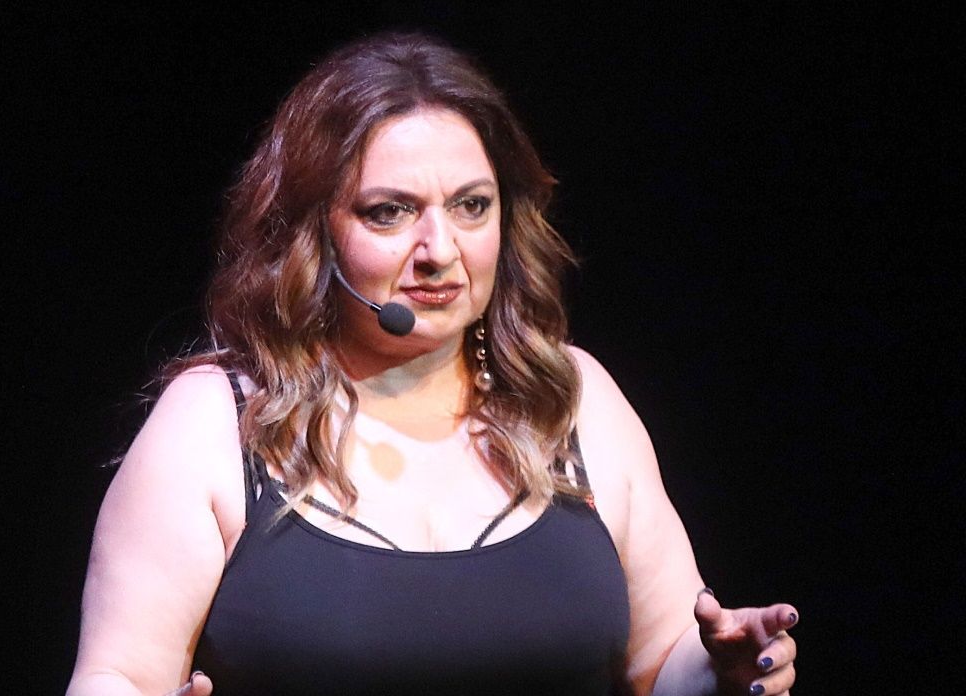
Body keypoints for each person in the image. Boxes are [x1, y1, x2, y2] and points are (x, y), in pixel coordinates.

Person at [66, 32, 798, 696]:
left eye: (471, 206)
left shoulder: (573, 399)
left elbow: (664, 658)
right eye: (389, 212)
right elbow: (117, 675)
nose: (440, 251)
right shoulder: (218, 421)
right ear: (313, 232)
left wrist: (726, 671)